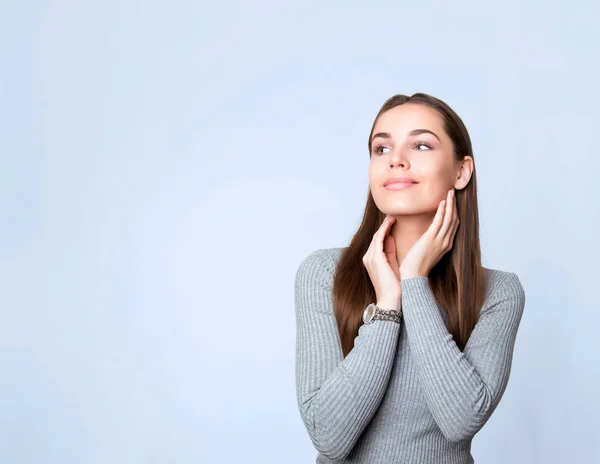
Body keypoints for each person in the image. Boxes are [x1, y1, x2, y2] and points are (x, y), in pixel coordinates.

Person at [294, 93, 526, 463]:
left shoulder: (497, 292)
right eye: (381, 148)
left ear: (461, 171)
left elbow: (461, 420)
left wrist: (414, 282)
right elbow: (329, 437)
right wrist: (387, 307)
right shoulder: (325, 274)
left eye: (420, 145)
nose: (396, 160)